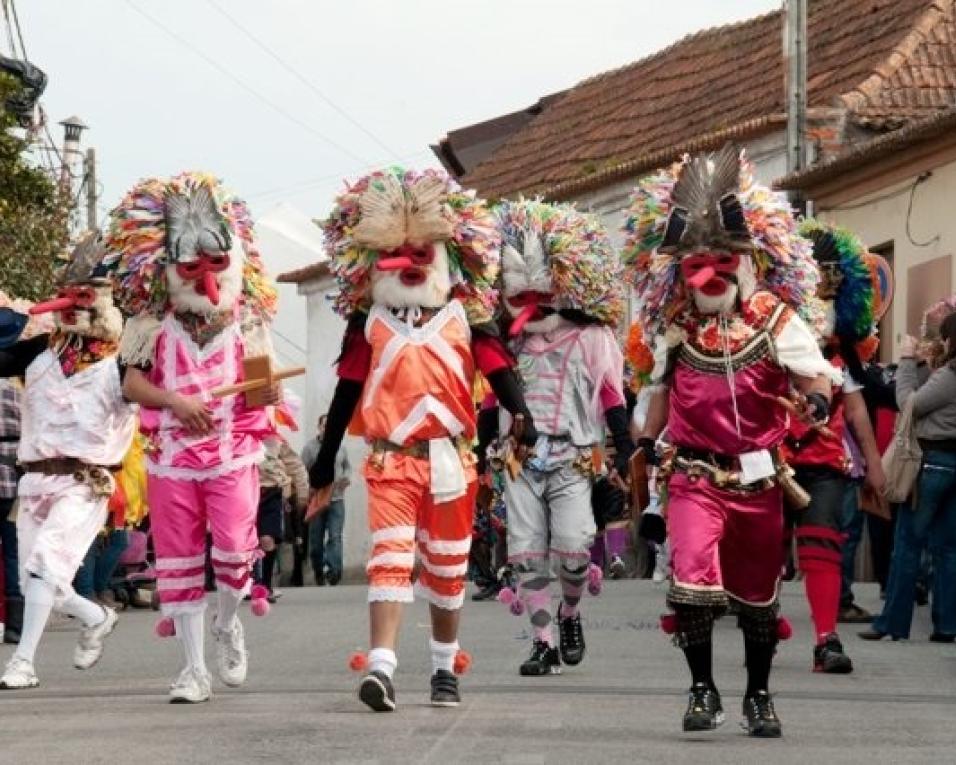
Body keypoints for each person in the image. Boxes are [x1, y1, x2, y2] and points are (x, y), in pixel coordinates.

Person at [624, 145, 839, 737]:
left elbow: (813, 372)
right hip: (693, 475)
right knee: (691, 582)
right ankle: (701, 691)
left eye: (720, 260)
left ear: (745, 261)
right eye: (697, 264)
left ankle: (759, 695)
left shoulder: (776, 318)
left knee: (756, 595)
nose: (709, 275)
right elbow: (661, 393)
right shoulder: (677, 325)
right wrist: (642, 443)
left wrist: (815, 401)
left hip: (760, 478)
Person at [306, 167, 536, 711]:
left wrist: (522, 414)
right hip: (391, 463)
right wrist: (323, 465)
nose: (409, 264)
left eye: (421, 251)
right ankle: (381, 667)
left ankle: (443, 665)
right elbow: (347, 392)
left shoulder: (465, 317)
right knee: (389, 558)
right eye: (397, 252)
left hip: (452, 461)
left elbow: (501, 372)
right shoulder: (369, 322)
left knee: (447, 568)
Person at [107, 172, 281, 703]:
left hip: (232, 456)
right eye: (191, 265)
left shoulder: (248, 316)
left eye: (216, 262)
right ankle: (192, 670)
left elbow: (261, 387)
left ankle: (228, 623)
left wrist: (267, 394)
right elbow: (132, 383)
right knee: (179, 562)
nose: (205, 275)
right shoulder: (150, 321)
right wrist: (177, 402)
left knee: (232, 553)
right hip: (172, 459)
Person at [488, 199, 631, 675]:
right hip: (518, 460)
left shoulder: (590, 338)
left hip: (573, 457)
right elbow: (491, 402)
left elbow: (612, 395)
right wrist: (479, 450)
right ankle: (543, 640)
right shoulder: (505, 343)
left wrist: (625, 446)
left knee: (573, 548)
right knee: (527, 555)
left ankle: (570, 613)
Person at [0, 234, 136, 690]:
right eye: (68, 294)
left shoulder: (125, 362)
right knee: (40, 581)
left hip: (84, 483)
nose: (73, 306)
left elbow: (160, 393)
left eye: (86, 295)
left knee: (43, 566)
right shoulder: (39, 351)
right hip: (33, 484)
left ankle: (23, 663)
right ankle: (96, 615)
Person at [779, 220, 886, 674]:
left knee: (824, 544)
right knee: (764, 548)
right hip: (766, 457)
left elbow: (857, 411)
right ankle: (761, 625)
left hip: (823, 459)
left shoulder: (842, 350)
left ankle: (826, 639)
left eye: (828, 279)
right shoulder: (764, 336)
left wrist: (875, 464)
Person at [862, 308, 956, 642]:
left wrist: (905, 361)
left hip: (933, 464)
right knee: (947, 549)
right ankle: (946, 625)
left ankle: (892, 623)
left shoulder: (949, 376)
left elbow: (908, 404)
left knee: (907, 544)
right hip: (952, 464)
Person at [256, 436, 309, 598]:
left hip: (271, 492)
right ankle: (247, 584)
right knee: (245, 543)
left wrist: (302, 492)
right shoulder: (234, 430)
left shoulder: (276, 438)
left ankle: (265, 586)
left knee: (267, 540)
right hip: (242, 491)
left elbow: (295, 465)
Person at [303, 415, 349, 586]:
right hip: (316, 500)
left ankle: (334, 572)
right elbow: (302, 470)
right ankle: (318, 570)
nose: (327, 429)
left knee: (335, 536)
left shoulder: (341, 447)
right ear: (319, 427)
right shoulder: (309, 448)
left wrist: (346, 477)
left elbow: (347, 466)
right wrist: (307, 490)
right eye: (324, 426)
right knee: (316, 541)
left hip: (337, 499)